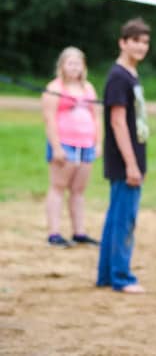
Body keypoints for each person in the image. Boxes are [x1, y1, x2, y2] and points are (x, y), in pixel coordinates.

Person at [97, 18, 151, 294]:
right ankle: (121, 277)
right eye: (136, 41)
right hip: (124, 161)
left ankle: (106, 275)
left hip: (132, 158)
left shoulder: (130, 74)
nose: (141, 46)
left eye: (145, 42)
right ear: (123, 43)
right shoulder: (118, 77)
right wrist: (131, 164)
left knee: (116, 216)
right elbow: (117, 123)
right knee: (124, 219)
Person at [41, 47, 102, 248]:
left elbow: (97, 117)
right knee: (58, 187)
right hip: (65, 143)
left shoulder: (89, 88)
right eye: (70, 63)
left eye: (78, 63)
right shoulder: (54, 88)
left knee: (79, 189)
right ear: (62, 66)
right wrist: (57, 147)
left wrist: (98, 142)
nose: (74, 67)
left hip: (86, 144)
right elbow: (49, 119)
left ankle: (79, 232)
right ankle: (54, 233)